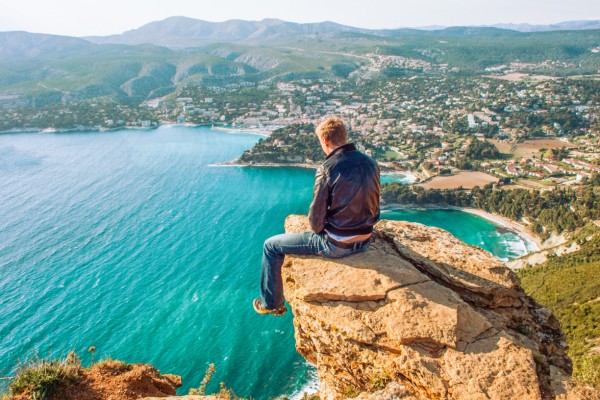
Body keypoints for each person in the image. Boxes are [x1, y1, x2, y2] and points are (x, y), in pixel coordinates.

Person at [253, 116, 380, 316]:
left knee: (270, 246)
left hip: (337, 245)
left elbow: (315, 222)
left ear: (325, 142)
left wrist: (324, 232)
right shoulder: (370, 162)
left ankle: (271, 303)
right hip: (365, 240)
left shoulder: (328, 168)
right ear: (344, 136)